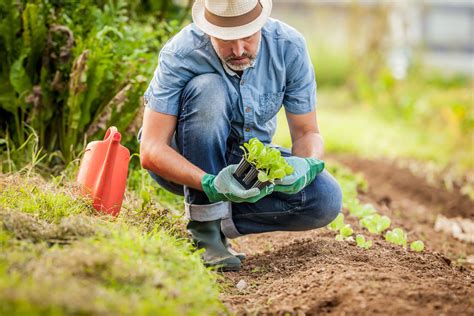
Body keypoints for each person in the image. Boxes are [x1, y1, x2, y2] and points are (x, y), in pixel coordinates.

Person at [139, 0, 342, 271]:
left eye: (247, 36)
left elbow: (307, 132)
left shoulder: (288, 46)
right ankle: (205, 231)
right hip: (186, 158)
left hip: (246, 162)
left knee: (325, 199)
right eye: (225, 39)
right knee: (208, 88)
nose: (238, 50)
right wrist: (210, 183)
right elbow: (151, 149)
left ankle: (217, 215)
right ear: (208, 29)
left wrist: (305, 165)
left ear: (261, 23)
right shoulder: (182, 52)